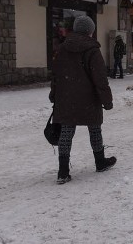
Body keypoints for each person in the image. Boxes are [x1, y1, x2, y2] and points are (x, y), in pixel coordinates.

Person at [48, 15, 116, 185]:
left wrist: (54, 94)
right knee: (94, 130)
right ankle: (100, 161)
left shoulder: (62, 49)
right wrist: (107, 100)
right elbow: (100, 79)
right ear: (90, 32)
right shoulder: (92, 50)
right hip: (88, 98)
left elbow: (56, 76)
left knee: (66, 132)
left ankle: (63, 171)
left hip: (66, 98)